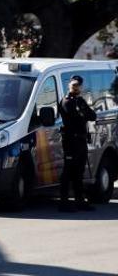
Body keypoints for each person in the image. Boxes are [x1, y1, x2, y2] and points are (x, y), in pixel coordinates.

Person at [58, 75, 98, 212]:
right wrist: (83, 112)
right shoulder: (66, 101)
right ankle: (63, 202)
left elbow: (92, 116)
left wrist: (83, 111)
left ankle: (80, 201)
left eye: (78, 85)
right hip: (70, 141)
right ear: (70, 86)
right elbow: (76, 117)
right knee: (68, 171)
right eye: (74, 85)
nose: (77, 87)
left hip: (80, 140)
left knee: (79, 172)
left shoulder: (80, 100)